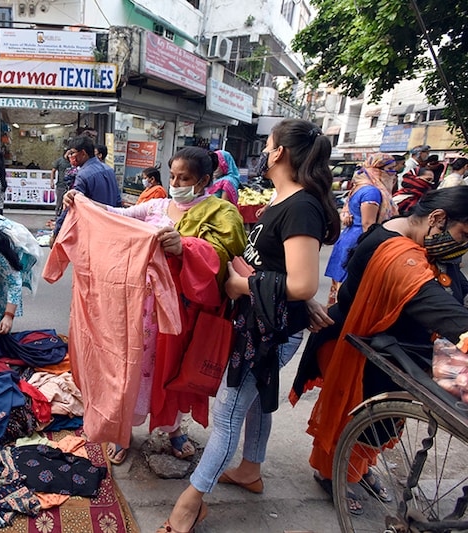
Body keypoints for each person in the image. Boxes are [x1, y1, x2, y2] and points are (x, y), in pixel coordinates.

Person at [161, 119, 340, 532]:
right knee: (258, 400)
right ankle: (250, 470)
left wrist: (241, 284)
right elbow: (284, 270)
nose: (264, 152)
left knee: (227, 414)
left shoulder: (301, 206)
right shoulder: (284, 201)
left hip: (268, 331)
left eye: (269, 145)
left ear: (278, 153)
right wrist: (298, 297)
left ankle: (191, 503)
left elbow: (301, 281)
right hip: (263, 323)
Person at [64, 146, 247, 467]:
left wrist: (185, 249)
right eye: (173, 176)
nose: (176, 183)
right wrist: (82, 204)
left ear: (204, 180)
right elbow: (115, 215)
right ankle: (123, 433)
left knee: (173, 372)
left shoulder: (222, 213)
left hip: (183, 313)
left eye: (185, 178)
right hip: (141, 312)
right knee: (134, 370)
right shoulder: (157, 205)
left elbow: (225, 256)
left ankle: (173, 429)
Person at [291, 187, 468, 516]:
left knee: (382, 423)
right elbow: (429, 299)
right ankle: (333, 475)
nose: (462, 243)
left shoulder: (417, 238)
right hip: (360, 346)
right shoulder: (395, 251)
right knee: (357, 420)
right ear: (438, 219)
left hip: (395, 350)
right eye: (463, 234)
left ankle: (356, 469)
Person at [325, 153, 398, 305]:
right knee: (351, 295)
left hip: (351, 239)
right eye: (390, 169)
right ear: (378, 169)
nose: (394, 174)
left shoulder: (362, 186)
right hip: (358, 242)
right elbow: (368, 224)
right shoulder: (372, 192)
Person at [52, 136, 121, 240]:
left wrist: (57, 231)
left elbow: (71, 205)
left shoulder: (83, 175)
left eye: (73, 153)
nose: (71, 157)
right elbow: (118, 201)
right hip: (110, 226)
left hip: (92, 228)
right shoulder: (109, 170)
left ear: (83, 153)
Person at [50, 149, 73, 218]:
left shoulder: (73, 162)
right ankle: (57, 216)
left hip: (70, 185)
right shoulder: (60, 161)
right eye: (68, 153)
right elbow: (53, 170)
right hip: (61, 185)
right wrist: (52, 182)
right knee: (59, 202)